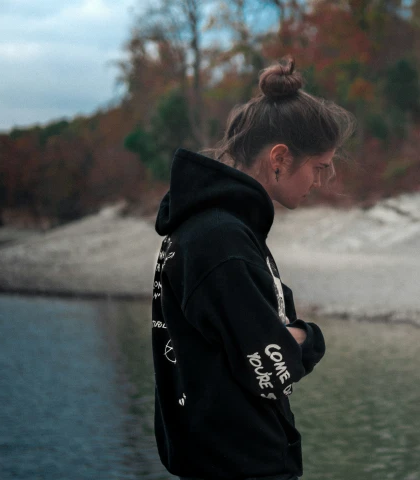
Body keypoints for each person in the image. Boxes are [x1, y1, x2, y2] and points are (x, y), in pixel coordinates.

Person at [150, 56, 356, 480]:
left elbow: (254, 338)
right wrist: (310, 337)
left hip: (220, 459)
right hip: (240, 466)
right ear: (279, 158)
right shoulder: (220, 240)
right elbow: (271, 366)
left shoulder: (213, 227)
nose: (321, 181)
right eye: (319, 167)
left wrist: (281, 334)